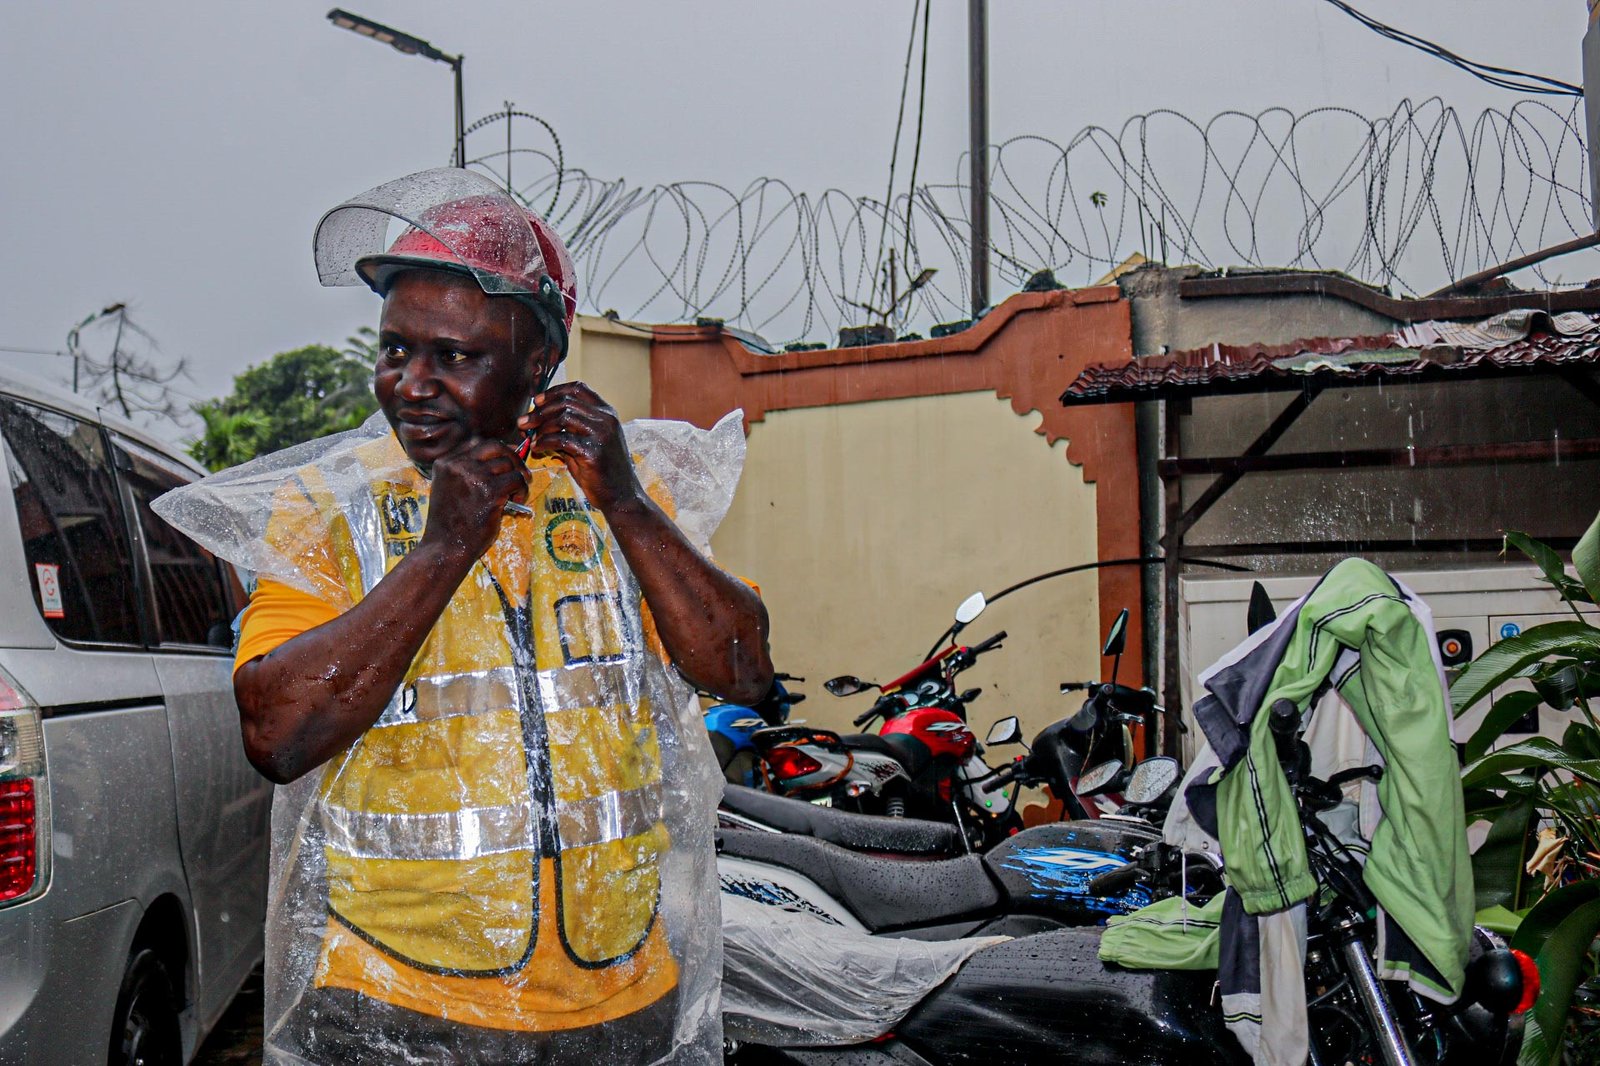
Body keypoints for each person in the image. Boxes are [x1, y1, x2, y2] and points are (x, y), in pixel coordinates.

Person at [158, 170, 771, 1064]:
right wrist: (443, 547)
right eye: (395, 350)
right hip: (395, 1002)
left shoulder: (623, 489)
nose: (411, 384)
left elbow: (744, 669)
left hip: (621, 998)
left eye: (455, 357)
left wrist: (629, 505)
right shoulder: (331, 507)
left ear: (539, 366)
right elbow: (279, 730)